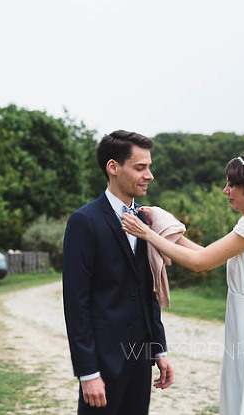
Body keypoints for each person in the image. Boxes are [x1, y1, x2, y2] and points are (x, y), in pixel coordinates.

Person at [121, 151, 244, 415]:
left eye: (232, 184)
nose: (225, 190)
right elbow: (206, 253)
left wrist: (147, 234)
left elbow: (201, 263)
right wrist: (170, 228)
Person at [63, 130, 174, 414]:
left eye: (149, 167)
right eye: (140, 167)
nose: (148, 175)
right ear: (113, 167)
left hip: (139, 362)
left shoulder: (145, 219)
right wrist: (87, 373)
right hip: (102, 364)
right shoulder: (83, 222)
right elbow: (76, 304)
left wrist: (158, 349)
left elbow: (147, 291)